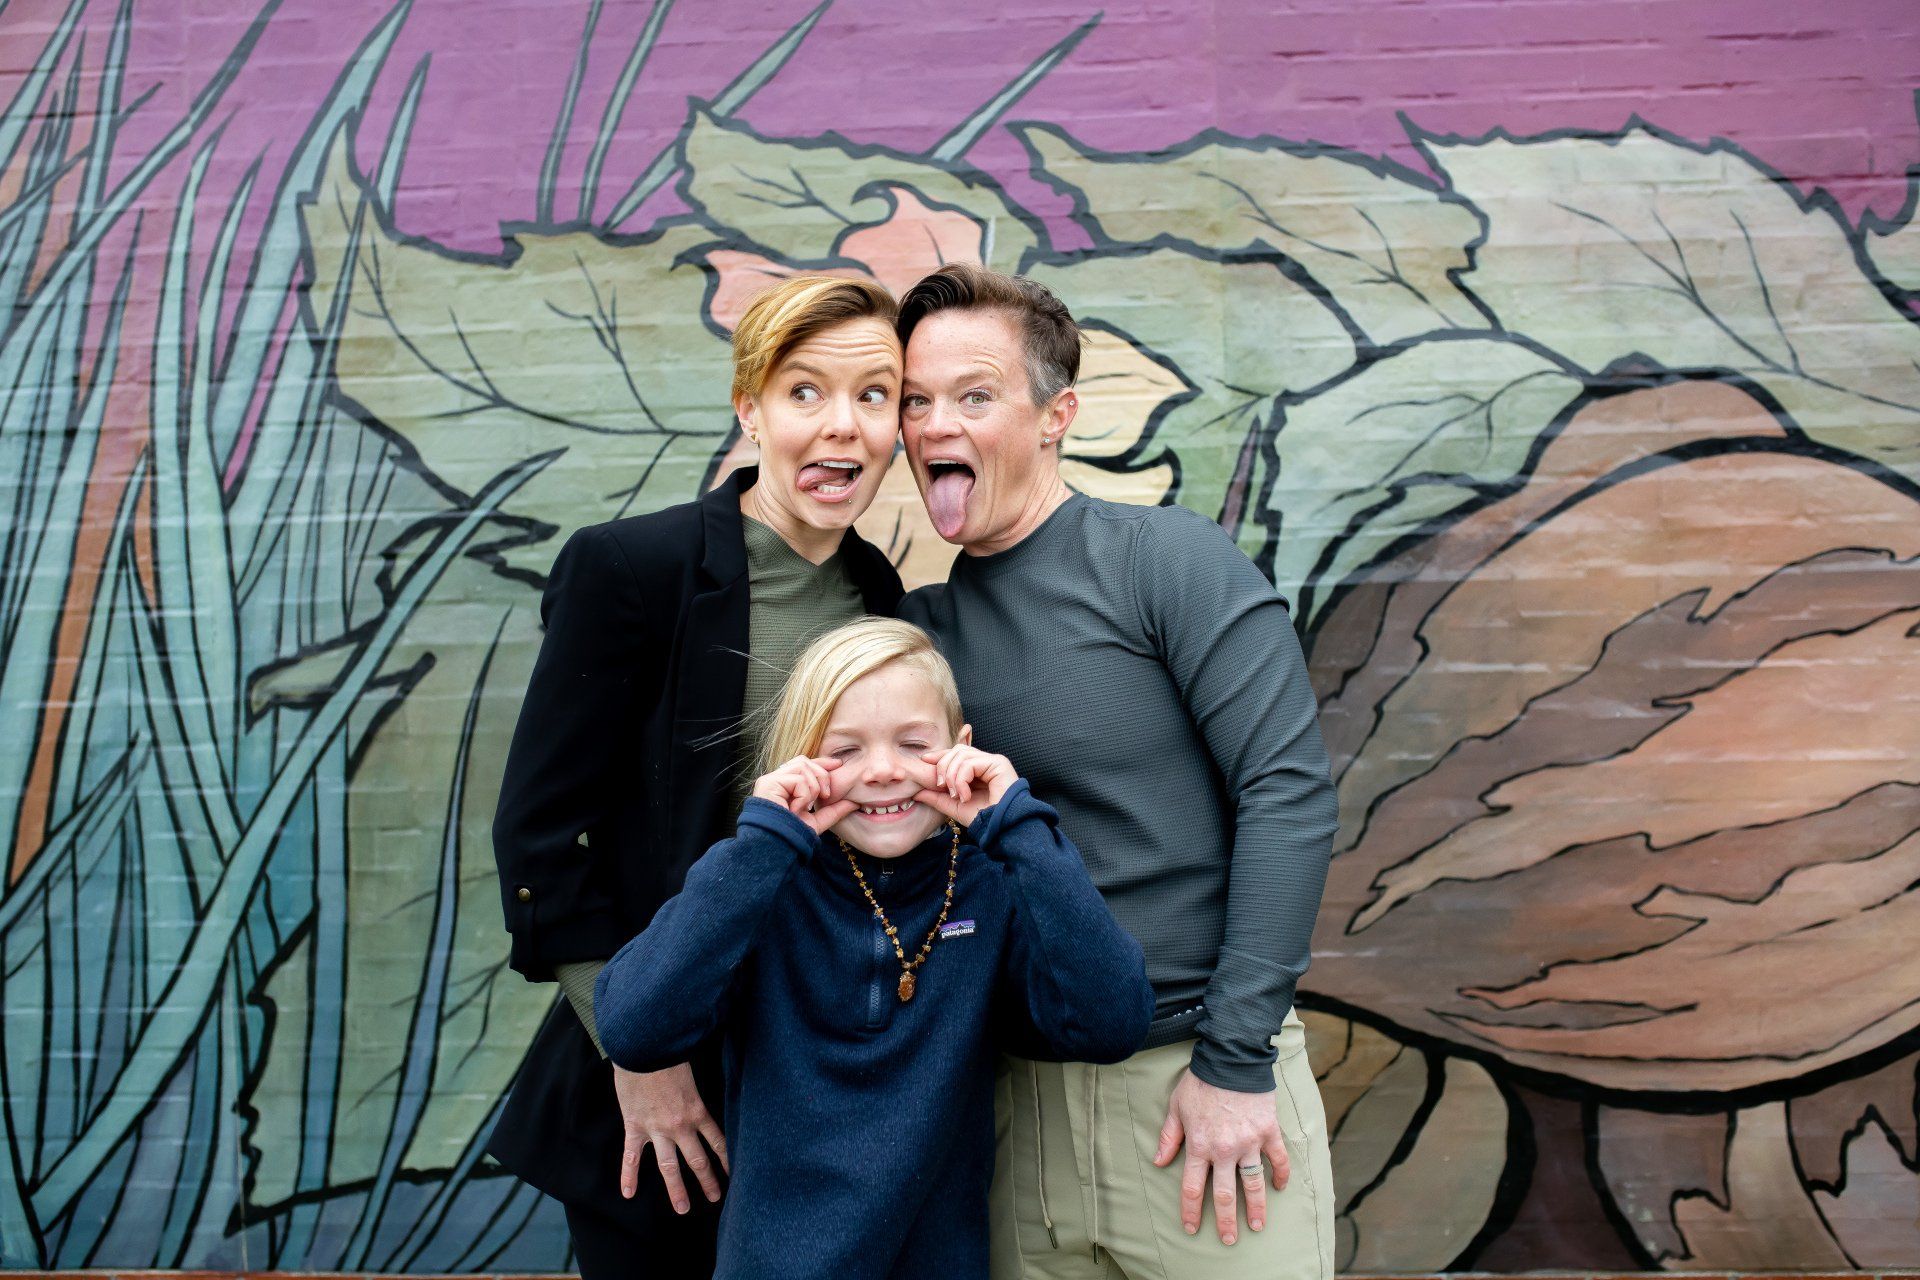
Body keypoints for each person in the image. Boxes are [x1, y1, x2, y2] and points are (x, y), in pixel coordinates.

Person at [895, 264, 1341, 1280]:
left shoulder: (1163, 560)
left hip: (1195, 1091)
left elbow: (1287, 793)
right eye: (916, 401)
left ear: (1058, 415)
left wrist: (1236, 1061)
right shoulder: (920, 634)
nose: (934, 424)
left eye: (974, 395)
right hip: (1013, 1111)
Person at [488, 275, 908, 1278]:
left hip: (815, 1071)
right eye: (804, 391)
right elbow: (541, 835)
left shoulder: (880, 595)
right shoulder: (635, 569)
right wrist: (636, 1049)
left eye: (874, 395)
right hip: (658, 1079)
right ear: (749, 407)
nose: (841, 426)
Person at [594, 617, 1155, 1280]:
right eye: (845, 750)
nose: (884, 771)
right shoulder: (758, 881)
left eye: (914, 744)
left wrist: (1017, 825)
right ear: (800, 759)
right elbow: (635, 1028)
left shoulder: (991, 882)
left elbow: (1111, 1022)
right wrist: (763, 843)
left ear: (961, 748)